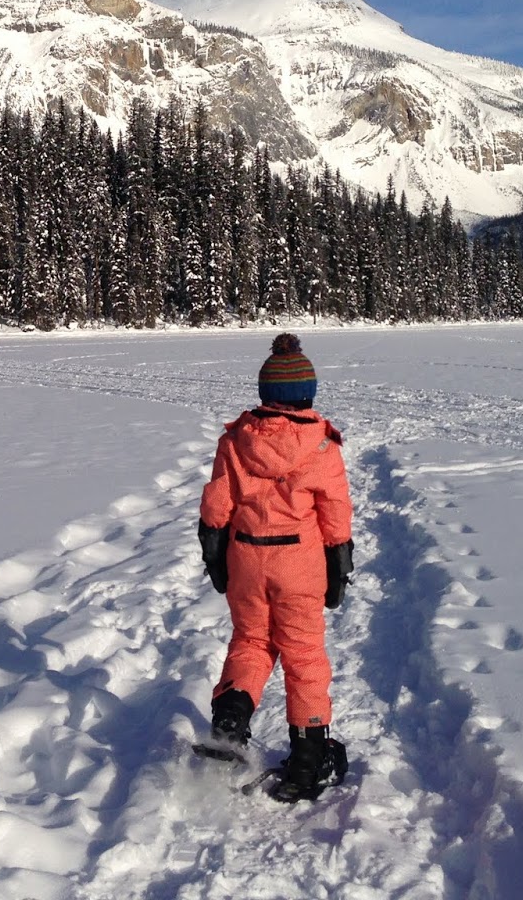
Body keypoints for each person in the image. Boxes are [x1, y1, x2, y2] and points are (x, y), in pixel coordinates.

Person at [197, 332, 354, 802]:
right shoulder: (321, 446)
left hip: (247, 558)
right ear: (308, 394)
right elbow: (335, 515)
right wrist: (338, 564)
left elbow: (216, 507)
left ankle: (230, 719)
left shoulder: (236, 440)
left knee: (251, 640)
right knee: (303, 655)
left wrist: (214, 555)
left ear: (267, 394)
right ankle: (309, 758)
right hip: (298, 564)